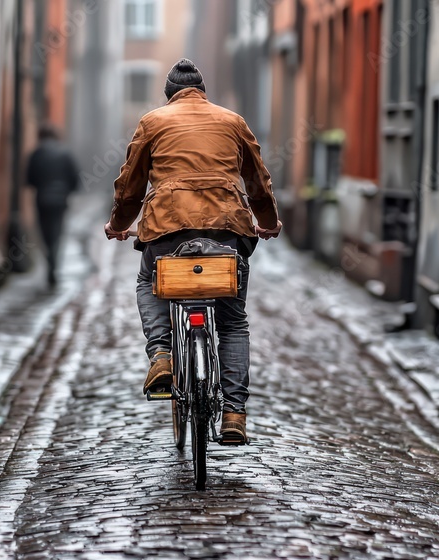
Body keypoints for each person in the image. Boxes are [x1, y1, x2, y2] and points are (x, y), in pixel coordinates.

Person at [104, 58, 282, 444]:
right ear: (203, 93)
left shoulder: (153, 122)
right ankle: (234, 414)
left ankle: (163, 355)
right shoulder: (232, 121)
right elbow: (258, 180)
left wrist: (118, 225)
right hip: (227, 229)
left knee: (147, 282)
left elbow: (130, 185)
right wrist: (267, 221)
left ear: (169, 96)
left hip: (167, 229)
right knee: (232, 322)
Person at [27, 124, 80, 287]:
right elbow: (75, 178)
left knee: (44, 234)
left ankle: (50, 262)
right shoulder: (65, 153)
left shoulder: (36, 153)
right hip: (60, 199)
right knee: (56, 233)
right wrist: (66, 190)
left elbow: (29, 178)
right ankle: (53, 264)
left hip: (42, 199)